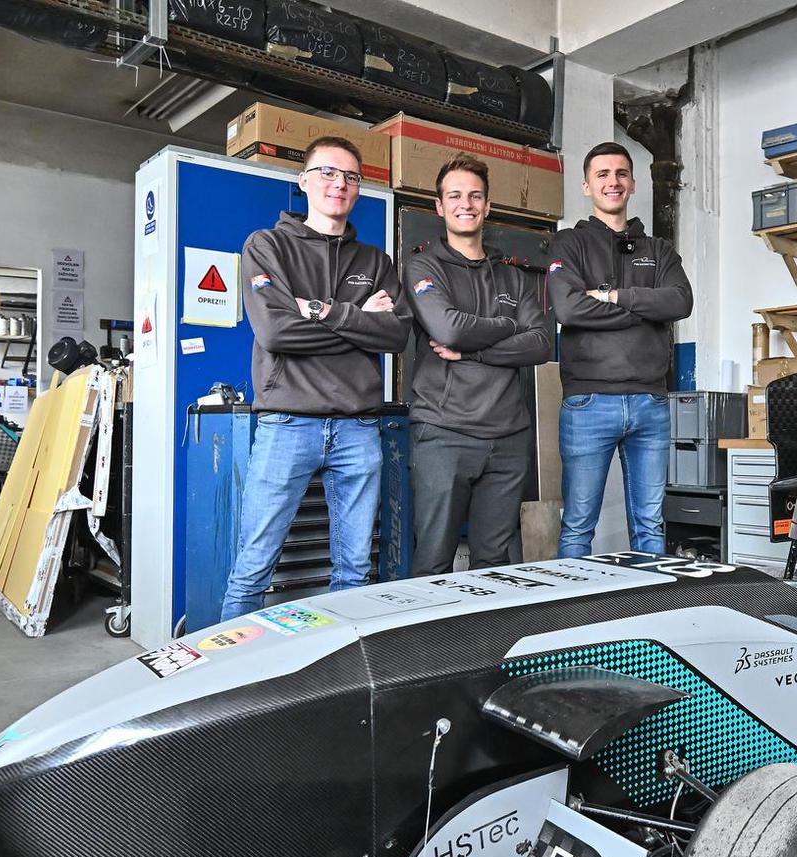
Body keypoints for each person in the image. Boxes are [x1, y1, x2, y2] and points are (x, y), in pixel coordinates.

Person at [220, 136, 412, 620]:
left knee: (355, 573)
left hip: (358, 428)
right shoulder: (267, 246)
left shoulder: (375, 263)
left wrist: (323, 311)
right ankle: (229, 665)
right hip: (288, 424)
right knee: (253, 566)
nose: (339, 183)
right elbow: (276, 331)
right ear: (304, 181)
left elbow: (395, 336)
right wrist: (359, 322)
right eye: (327, 172)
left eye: (350, 176)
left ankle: (341, 662)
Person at [403, 156, 552, 575]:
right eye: (454, 196)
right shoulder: (423, 266)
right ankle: (430, 624)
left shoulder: (514, 278)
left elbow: (541, 343)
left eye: (474, 196)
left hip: (508, 438)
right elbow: (448, 329)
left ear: (487, 206)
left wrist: (475, 352)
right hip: (444, 434)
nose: (465, 204)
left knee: (496, 565)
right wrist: (508, 326)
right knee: (433, 561)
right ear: (439, 206)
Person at [547, 141, 693, 558]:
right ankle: (575, 603)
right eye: (603, 174)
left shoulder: (658, 250)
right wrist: (645, 310)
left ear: (632, 184)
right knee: (578, 526)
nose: (613, 182)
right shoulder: (569, 244)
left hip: (650, 403)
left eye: (621, 174)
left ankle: (647, 599)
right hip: (589, 403)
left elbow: (680, 302)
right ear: (586, 186)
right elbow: (569, 309)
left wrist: (612, 296)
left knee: (650, 525)